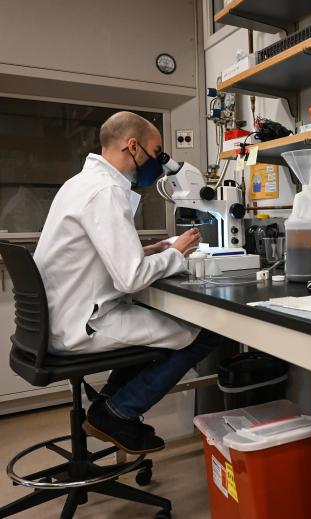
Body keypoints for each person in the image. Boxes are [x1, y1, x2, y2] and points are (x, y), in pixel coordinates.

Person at [34, 111, 219, 454]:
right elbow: (131, 278)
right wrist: (177, 252)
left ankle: (108, 404)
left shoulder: (80, 184)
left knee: (155, 330)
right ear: (133, 146)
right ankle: (118, 412)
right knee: (204, 330)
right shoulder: (105, 191)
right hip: (84, 324)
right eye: (156, 152)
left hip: (62, 316)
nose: (158, 162)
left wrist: (146, 249)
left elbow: (93, 252)